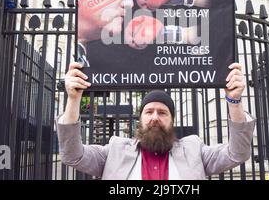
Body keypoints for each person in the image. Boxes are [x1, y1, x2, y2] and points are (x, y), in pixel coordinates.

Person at [57, 62, 255, 180]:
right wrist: (74, 99)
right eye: (149, 112)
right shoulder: (114, 150)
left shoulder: (195, 150)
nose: (154, 117)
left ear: (172, 120)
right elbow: (73, 155)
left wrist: (234, 100)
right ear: (140, 119)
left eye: (162, 112)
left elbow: (237, 153)